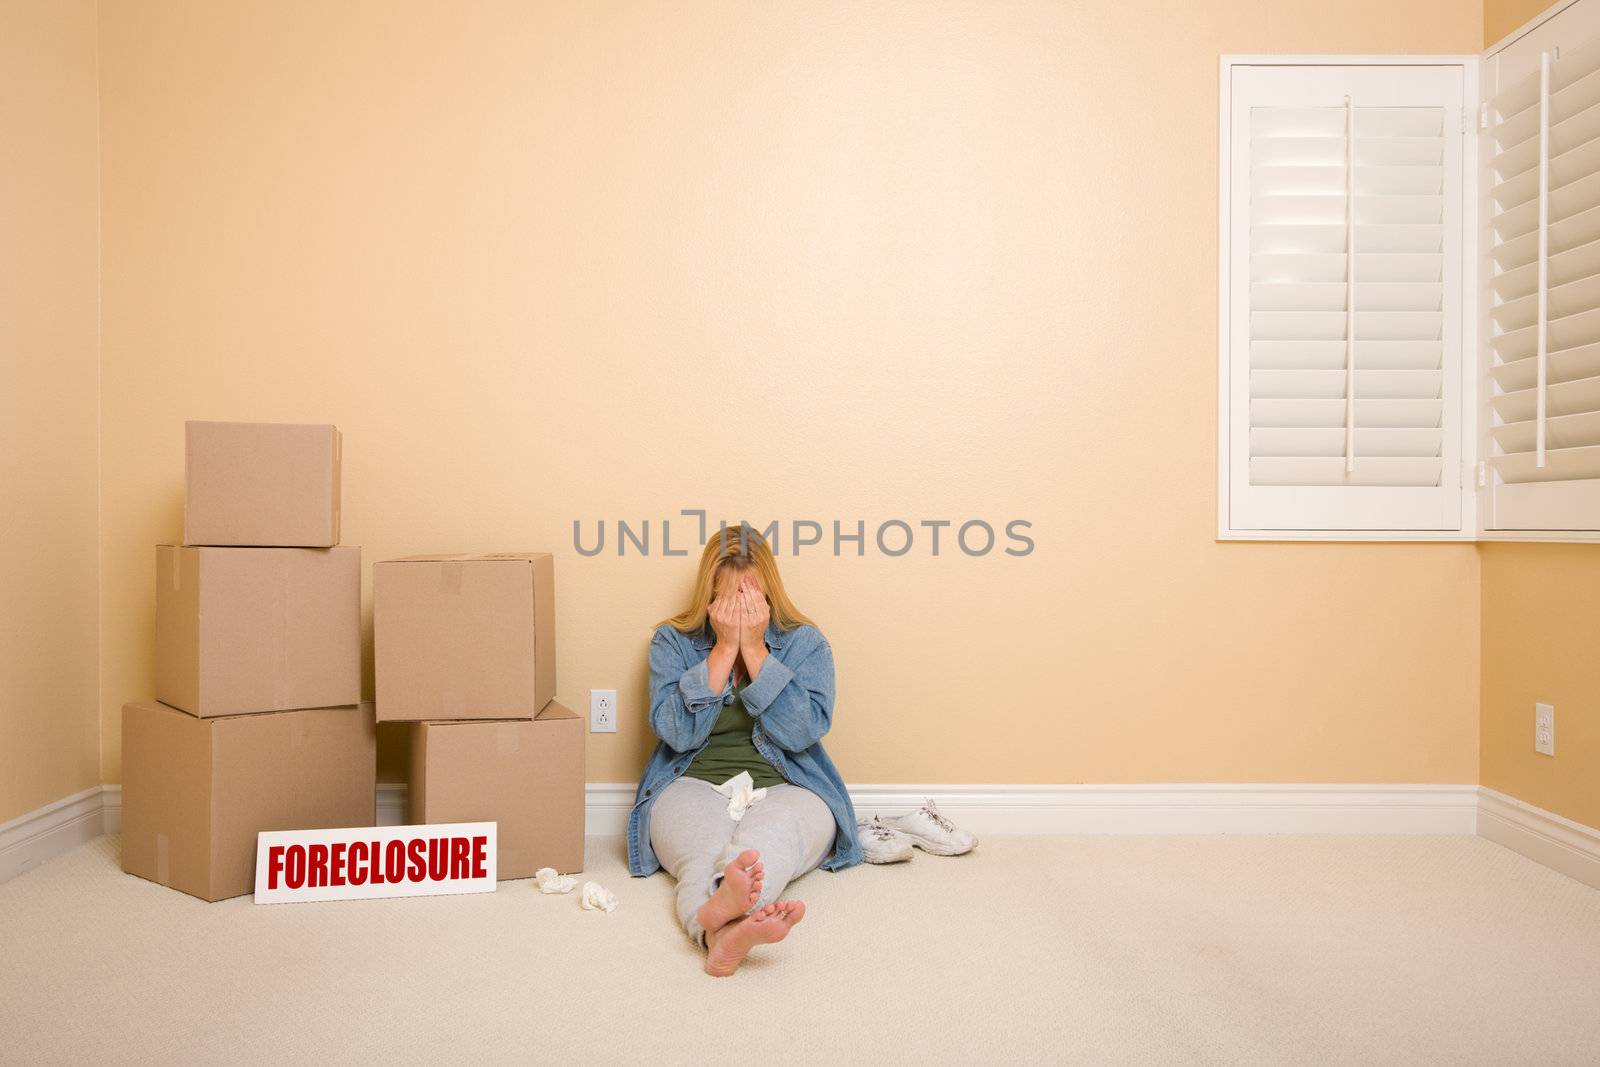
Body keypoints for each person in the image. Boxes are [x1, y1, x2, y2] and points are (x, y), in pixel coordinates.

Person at [627, 526, 861, 976]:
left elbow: (803, 732)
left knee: (768, 843)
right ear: (709, 594)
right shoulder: (672, 642)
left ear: (770, 592)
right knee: (704, 850)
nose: (741, 608)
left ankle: (718, 926)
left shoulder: (805, 643)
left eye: (751, 597)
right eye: (730, 597)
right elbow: (675, 733)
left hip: (791, 785)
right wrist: (721, 651)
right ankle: (723, 931)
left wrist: (753, 649)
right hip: (690, 781)